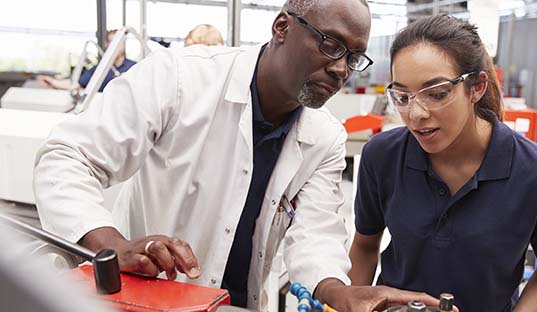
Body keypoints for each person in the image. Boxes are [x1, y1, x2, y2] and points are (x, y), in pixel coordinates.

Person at [33, 1, 439, 311]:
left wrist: (341, 293)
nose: (341, 69)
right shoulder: (180, 79)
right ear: (282, 27)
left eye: (353, 58)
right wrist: (112, 246)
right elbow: (67, 156)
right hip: (144, 297)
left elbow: (314, 235)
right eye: (331, 45)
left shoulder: (324, 137)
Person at [349, 14, 537, 312]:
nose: (416, 113)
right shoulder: (381, 157)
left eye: (437, 94)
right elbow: (366, 246)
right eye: (403, 96)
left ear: (477, 86)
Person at [36, 29, 136, 92]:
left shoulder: (134, 68)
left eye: (117, 42)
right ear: (106, 45)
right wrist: (52, 81)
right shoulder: (99, 69)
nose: (114, 46)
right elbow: (75, 84)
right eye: (111, 42)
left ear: (123, 44)